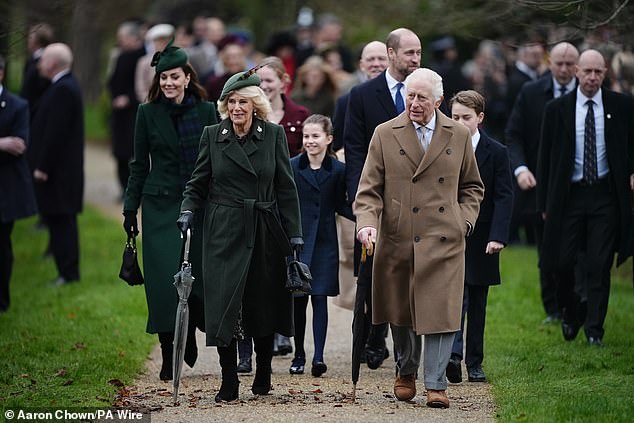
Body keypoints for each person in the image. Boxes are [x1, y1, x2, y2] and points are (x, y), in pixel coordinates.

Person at [355, 68, 484, 408]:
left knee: (442, 310)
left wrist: (463, 222)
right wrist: (367, 223)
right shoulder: (385, 133)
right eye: (410, 96)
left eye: (421, 97)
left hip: (445, 239)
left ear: (438, 100)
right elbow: (368, 190)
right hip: (399, 237)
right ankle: (406, 369)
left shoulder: (457, 134)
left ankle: (436, 383)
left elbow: (472, 186)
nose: (414, 103)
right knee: (402, 310)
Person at [177, 68, 302, 402]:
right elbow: (197, 182)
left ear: (255, 105)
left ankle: (262, 369)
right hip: (223, 229)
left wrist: (295, 235)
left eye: (243, 101)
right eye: (231, 101)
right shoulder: (212, 135)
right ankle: (229, 378)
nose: (236, 107)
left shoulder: (273, 135)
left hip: (263, 228)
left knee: (260, 301)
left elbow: (286, 189)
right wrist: (187, 210)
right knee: (223, 303)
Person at [122, 40, 217, 380]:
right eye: (163, 78)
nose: (169, 83)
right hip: (159, 205)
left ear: (187, 77)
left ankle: (188, 331)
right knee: (163, 283)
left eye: (174, 77)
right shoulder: (147, 113)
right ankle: (167, 353)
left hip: (200, 202)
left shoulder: (207, 112)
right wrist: (129, 211)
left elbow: (216, 162)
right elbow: (137, 165)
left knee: (199, 278)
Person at [537, 49, 634, 347]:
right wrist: (544, 205)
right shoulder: (557, 109)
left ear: (606, 73)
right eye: (587, 71)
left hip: (605, 195)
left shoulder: (622, 106)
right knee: (562, 262)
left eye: (598, 72)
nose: (592, 77)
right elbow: (545, 158)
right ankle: (572, 310)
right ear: (577, 71)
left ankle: (594, 329)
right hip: (569, 197)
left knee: (599, 263)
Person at [343, 27, 421, 370]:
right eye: (409, 53)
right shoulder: (361, 95)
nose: (416, 59)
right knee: (373, 271)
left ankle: (408, 340)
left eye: (419, 53)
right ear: (391, 54)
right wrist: (360, 198)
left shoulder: (427, 90)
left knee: (410, 272)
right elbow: (355, 149)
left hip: (416, 199)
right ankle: (374, 337)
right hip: (376, 198)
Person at [505, 42, 579, 323]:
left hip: (579, 184)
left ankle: (578, 302)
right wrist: (521, 169)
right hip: (540, 185)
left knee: (580, 251)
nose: (563, 69)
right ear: (549, 63)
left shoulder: (589, 94)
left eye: (569, 64)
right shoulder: (532, 92)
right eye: (558, 63)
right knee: (547, 249)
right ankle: (553, 308)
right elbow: (514, 135)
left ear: (578, 66)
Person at [446, 90, 513, 384]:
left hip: (483, 235)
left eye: (466, 117)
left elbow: (504, 196)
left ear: (480, 118)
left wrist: (498, 235)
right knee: (453, 297)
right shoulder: (442, 146)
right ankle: (453, 356)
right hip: (450, 232)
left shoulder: (496, 152)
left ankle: (475, 361)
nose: (460, 123)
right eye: (455, 117)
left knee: (477, 300)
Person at [288, 114, 353, 377]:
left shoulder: (338, 170)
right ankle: (299, 354)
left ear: (328, 139)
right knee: (298, 300)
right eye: (306, 136)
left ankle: (318, 356)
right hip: (299, 243)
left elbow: (342, 204)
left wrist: (368, 218)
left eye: (316, 136)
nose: (310, 141)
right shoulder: (292, 166)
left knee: (320, 297)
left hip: (325, 241)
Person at [27, 43, 84, 286]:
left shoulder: (63, 89)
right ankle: (65, 272)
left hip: (59, 173)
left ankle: (68, 274)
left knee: (63, 223)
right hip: (60, 172)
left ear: (51, 63)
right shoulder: (62, 86)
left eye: (42, 60)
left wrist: (43, 166)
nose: (39, 64)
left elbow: (55, 133)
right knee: (58, 220)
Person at [0, 55, 38, 313]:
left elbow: (20, 144)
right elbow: (7, 144)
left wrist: (9, 144)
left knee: (2, 244)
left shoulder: (17, 105)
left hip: (6, 188)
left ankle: (2, 301)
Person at [108, 21, 147, 197]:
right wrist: (115, 97)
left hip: (135, 111)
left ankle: (137, 189)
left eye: (123, 37)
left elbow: (143, 84)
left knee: (135, 152)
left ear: (134, 37)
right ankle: (124, 188)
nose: (120, 41)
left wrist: (128, 98)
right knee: (120, 153)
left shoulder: (144, 56)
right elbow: (113, 81)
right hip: (119, 113)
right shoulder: (121, 56)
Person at [257, 56, 309, 157]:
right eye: (259, 81)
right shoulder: (248, 113)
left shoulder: (301, 115)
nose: (263, 86)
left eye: (269, 81)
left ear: (282, 82)